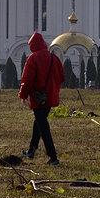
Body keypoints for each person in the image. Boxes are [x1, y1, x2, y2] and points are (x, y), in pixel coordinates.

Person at [18, 31, 65, 166]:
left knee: (43, 126)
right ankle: (31, 151)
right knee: (38, 122)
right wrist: (52, 87)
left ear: (32, 45)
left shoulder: (32, 59)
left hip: (38, 97)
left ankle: (53, 157)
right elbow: (62, 76)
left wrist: (23, 95)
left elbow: (27, 80)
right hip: (50, 97)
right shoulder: (53, 58)